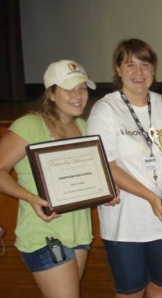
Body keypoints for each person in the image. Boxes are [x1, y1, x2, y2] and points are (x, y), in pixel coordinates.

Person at [86, 38, 162, 298]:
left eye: (145, 65)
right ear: (117, 69)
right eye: (130, 65)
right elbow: (106, 164)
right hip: (126, 222)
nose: (139, 73)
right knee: (131, 292)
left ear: (154, 69)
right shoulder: (106, 110)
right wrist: (150, 197)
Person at [0, 59, 103, 297]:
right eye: (69, 89)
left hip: (78, 233)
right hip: (44, 234)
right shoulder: (30, 126)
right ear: (52, 94)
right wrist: (30, 198)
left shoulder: (84, 126)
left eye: (83, 88)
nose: (78, 95)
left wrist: (103, 194)